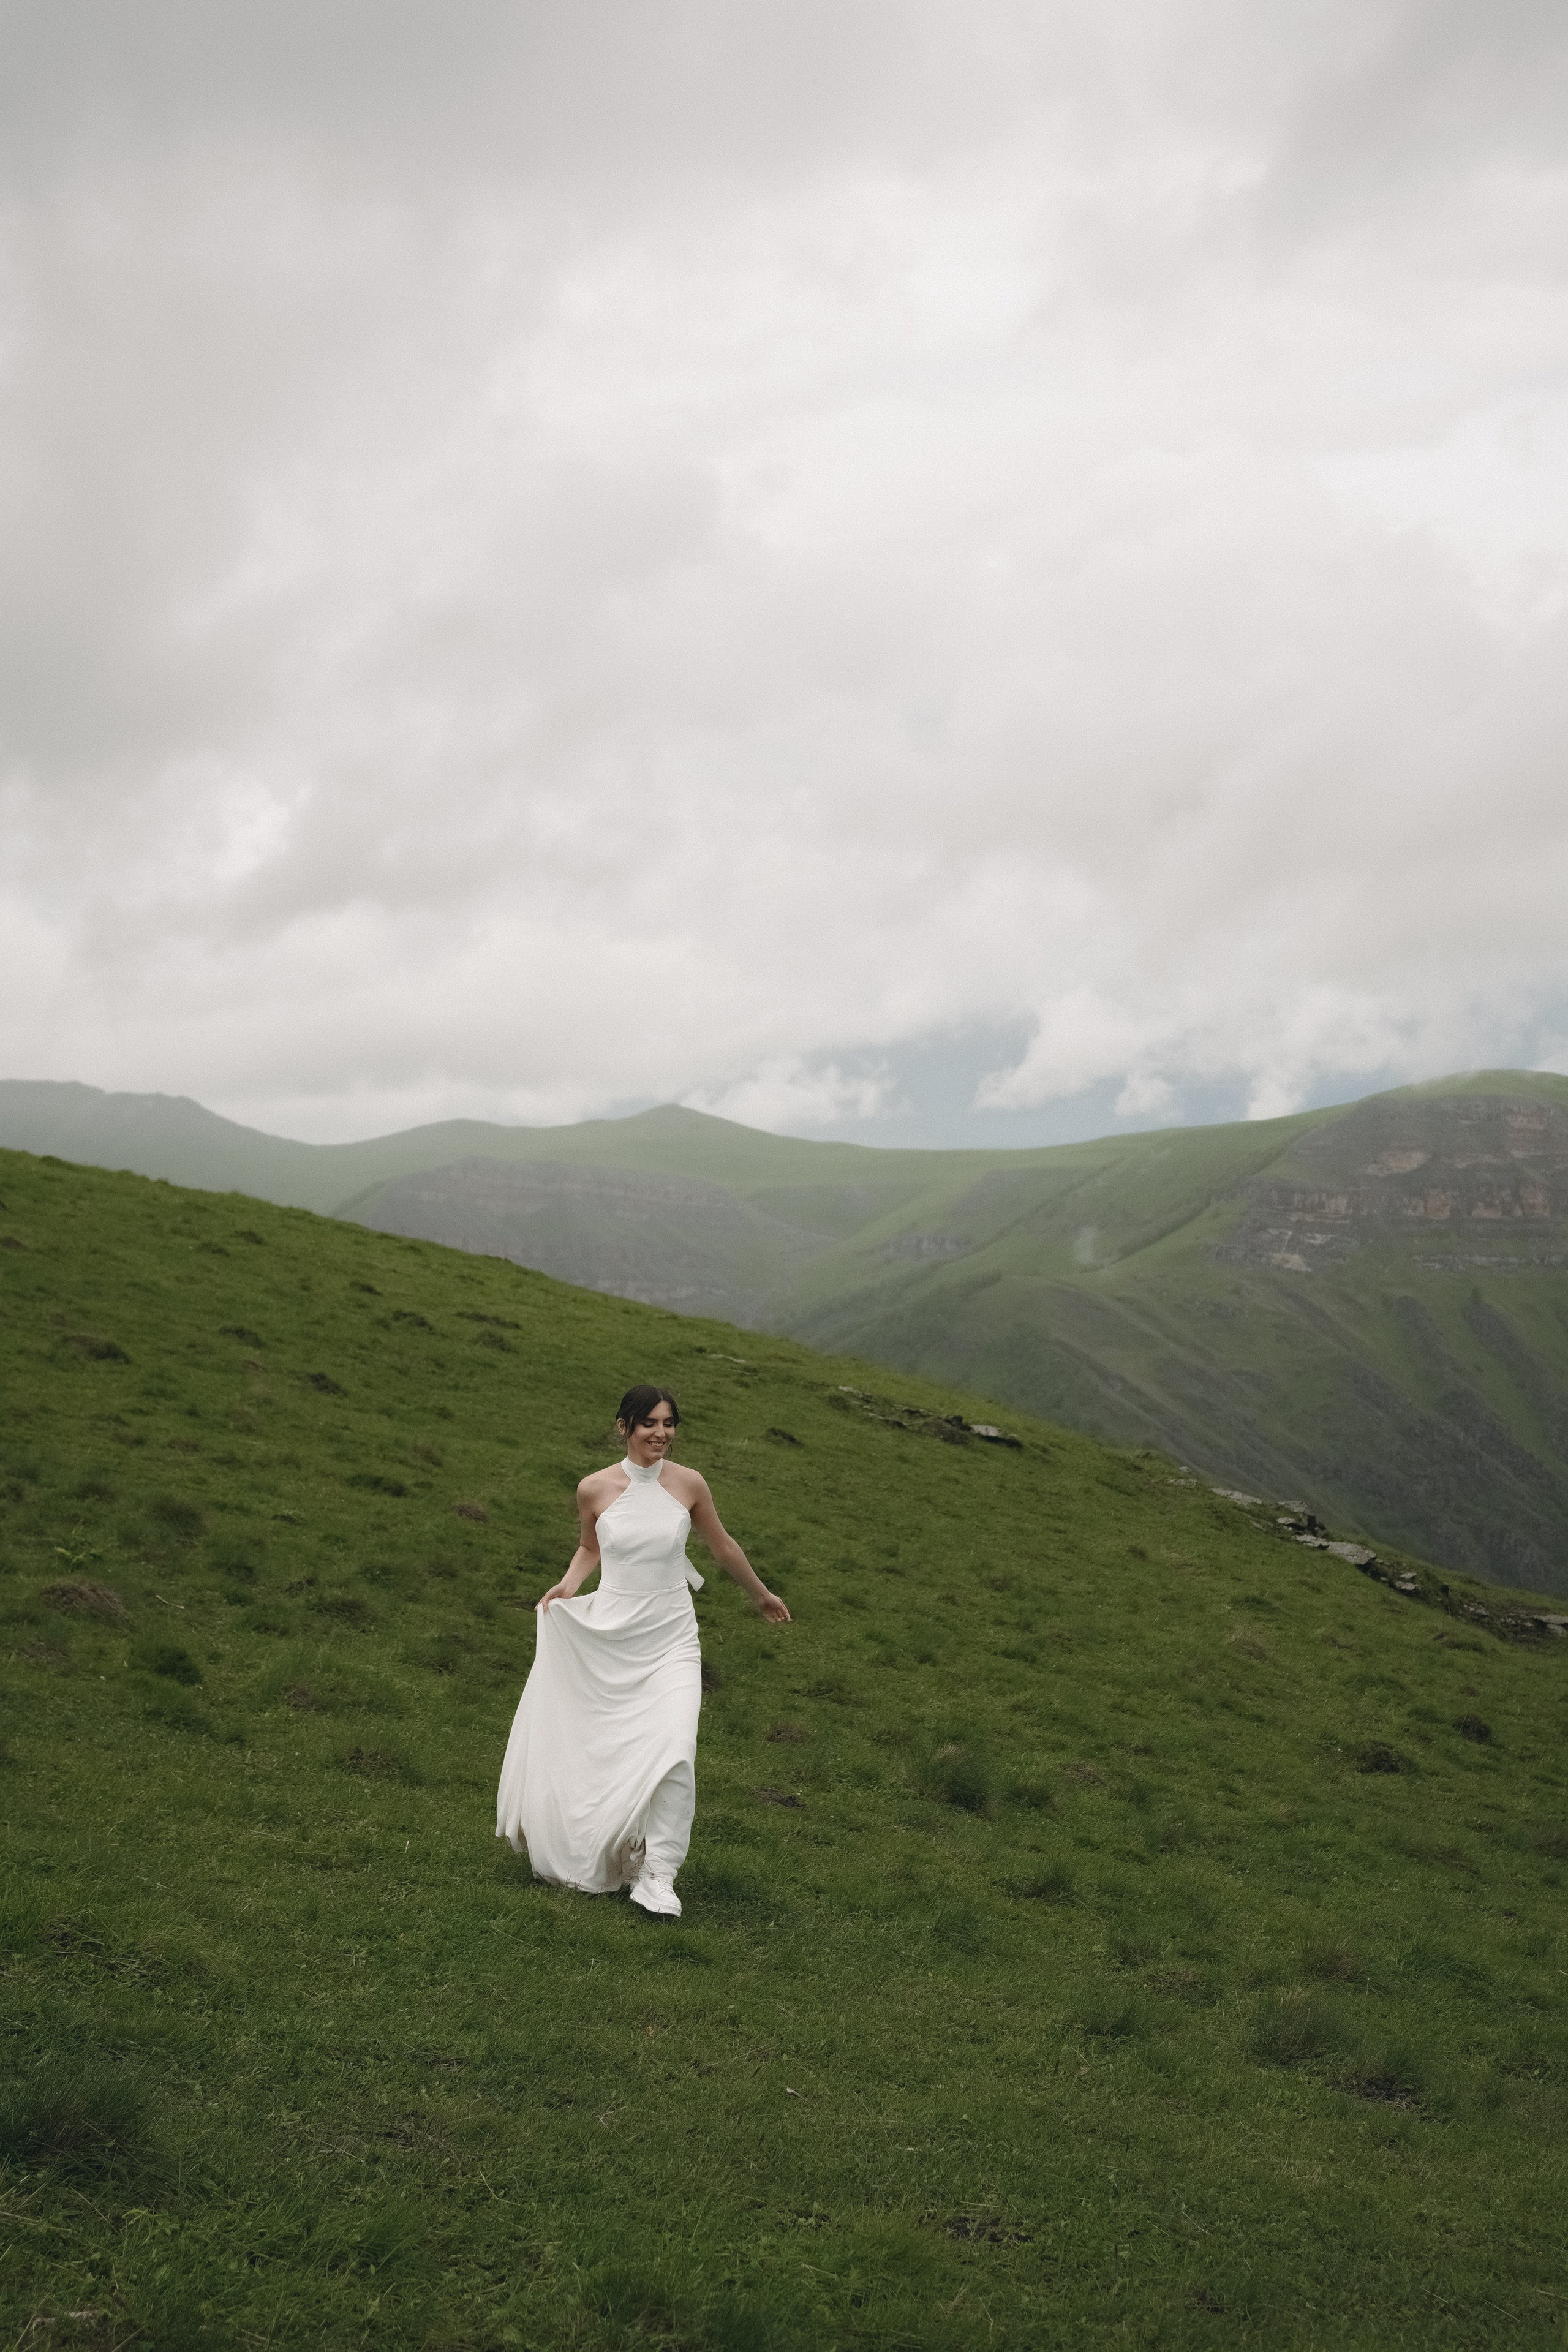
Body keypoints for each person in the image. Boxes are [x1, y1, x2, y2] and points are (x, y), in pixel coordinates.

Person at [496, 1384, 791, 1917]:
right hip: (612, 1634)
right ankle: (610, 1847)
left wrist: (762, 1595)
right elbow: (591, 1547)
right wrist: (567, 1586)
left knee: (676, 1749)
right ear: (624, 1426)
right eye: (650, 1423)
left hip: (672, 1636)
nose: (661, 1433)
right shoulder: (595, 1489)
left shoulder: (689, 1484)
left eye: (669, 1423)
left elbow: (722, 1546)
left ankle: (659, 1875)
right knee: (611, 1750)